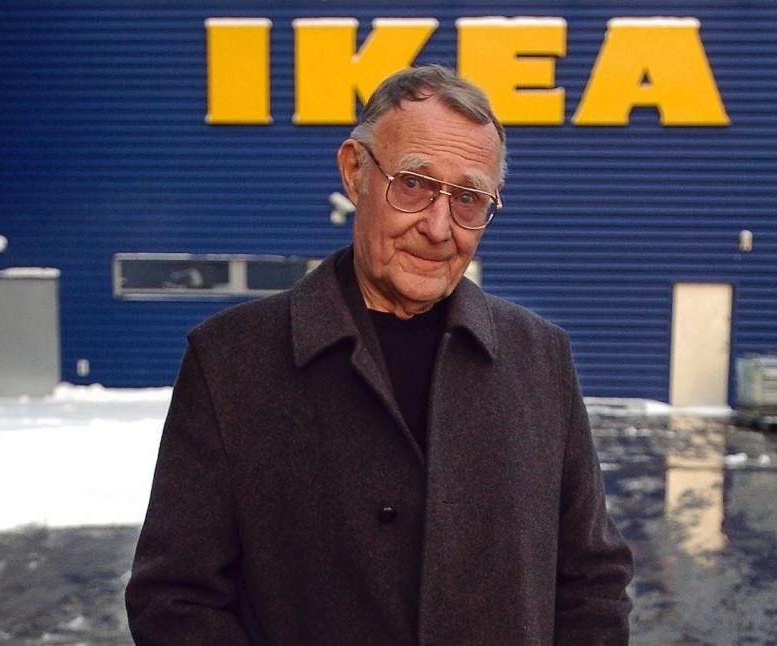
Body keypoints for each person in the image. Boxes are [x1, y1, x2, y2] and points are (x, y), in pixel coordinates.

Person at [125, 64, 634, 645]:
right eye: (413, 184)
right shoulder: (231, 361)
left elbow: (593, 583)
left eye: (469, 199)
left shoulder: (540, 358)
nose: (438, 228)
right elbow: (175, 600)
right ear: (355, 172)